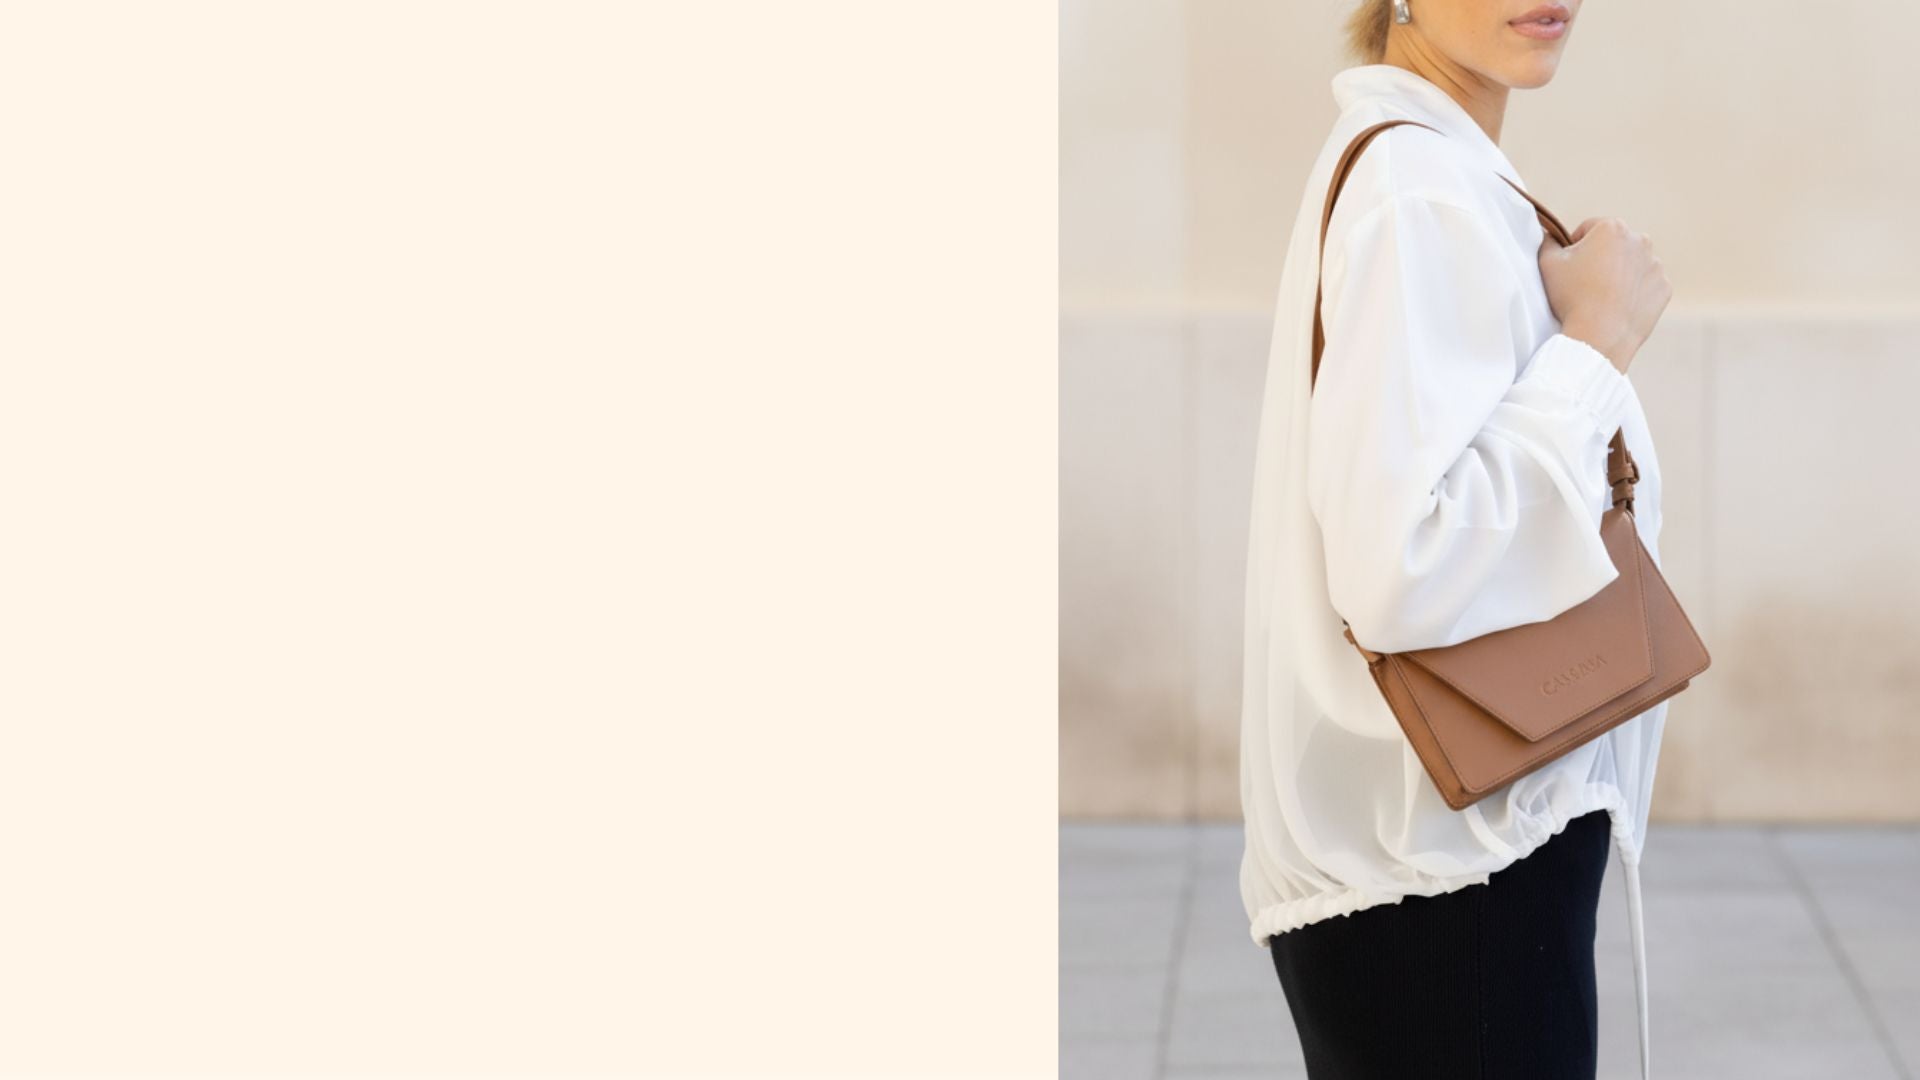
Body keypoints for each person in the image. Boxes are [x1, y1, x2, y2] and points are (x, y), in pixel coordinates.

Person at [1238, 2, 1674, 1078]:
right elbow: (1401, 565)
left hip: (1454, 865)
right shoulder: (1415, 188)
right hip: (1451, 884)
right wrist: (1594, 345)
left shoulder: (1431, 168)